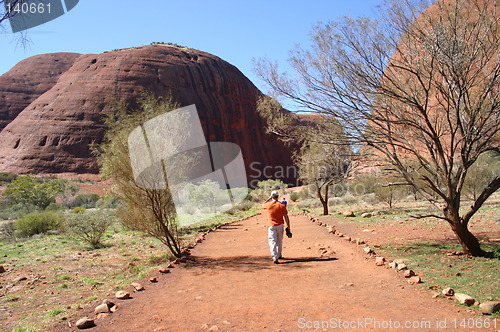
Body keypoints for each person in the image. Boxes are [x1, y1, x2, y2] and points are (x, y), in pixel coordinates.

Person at [263, 190, 292, 264]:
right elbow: (286, 217)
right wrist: (288, 227)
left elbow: (263, 205)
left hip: (271, 225)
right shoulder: (282, 205)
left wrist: (269, 199)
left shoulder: (268, 205)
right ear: (278, 196)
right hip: (280, 226)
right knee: (279, 241)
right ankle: (279, 255)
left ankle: (274, 257)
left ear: (272, 197)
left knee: (272, 241)